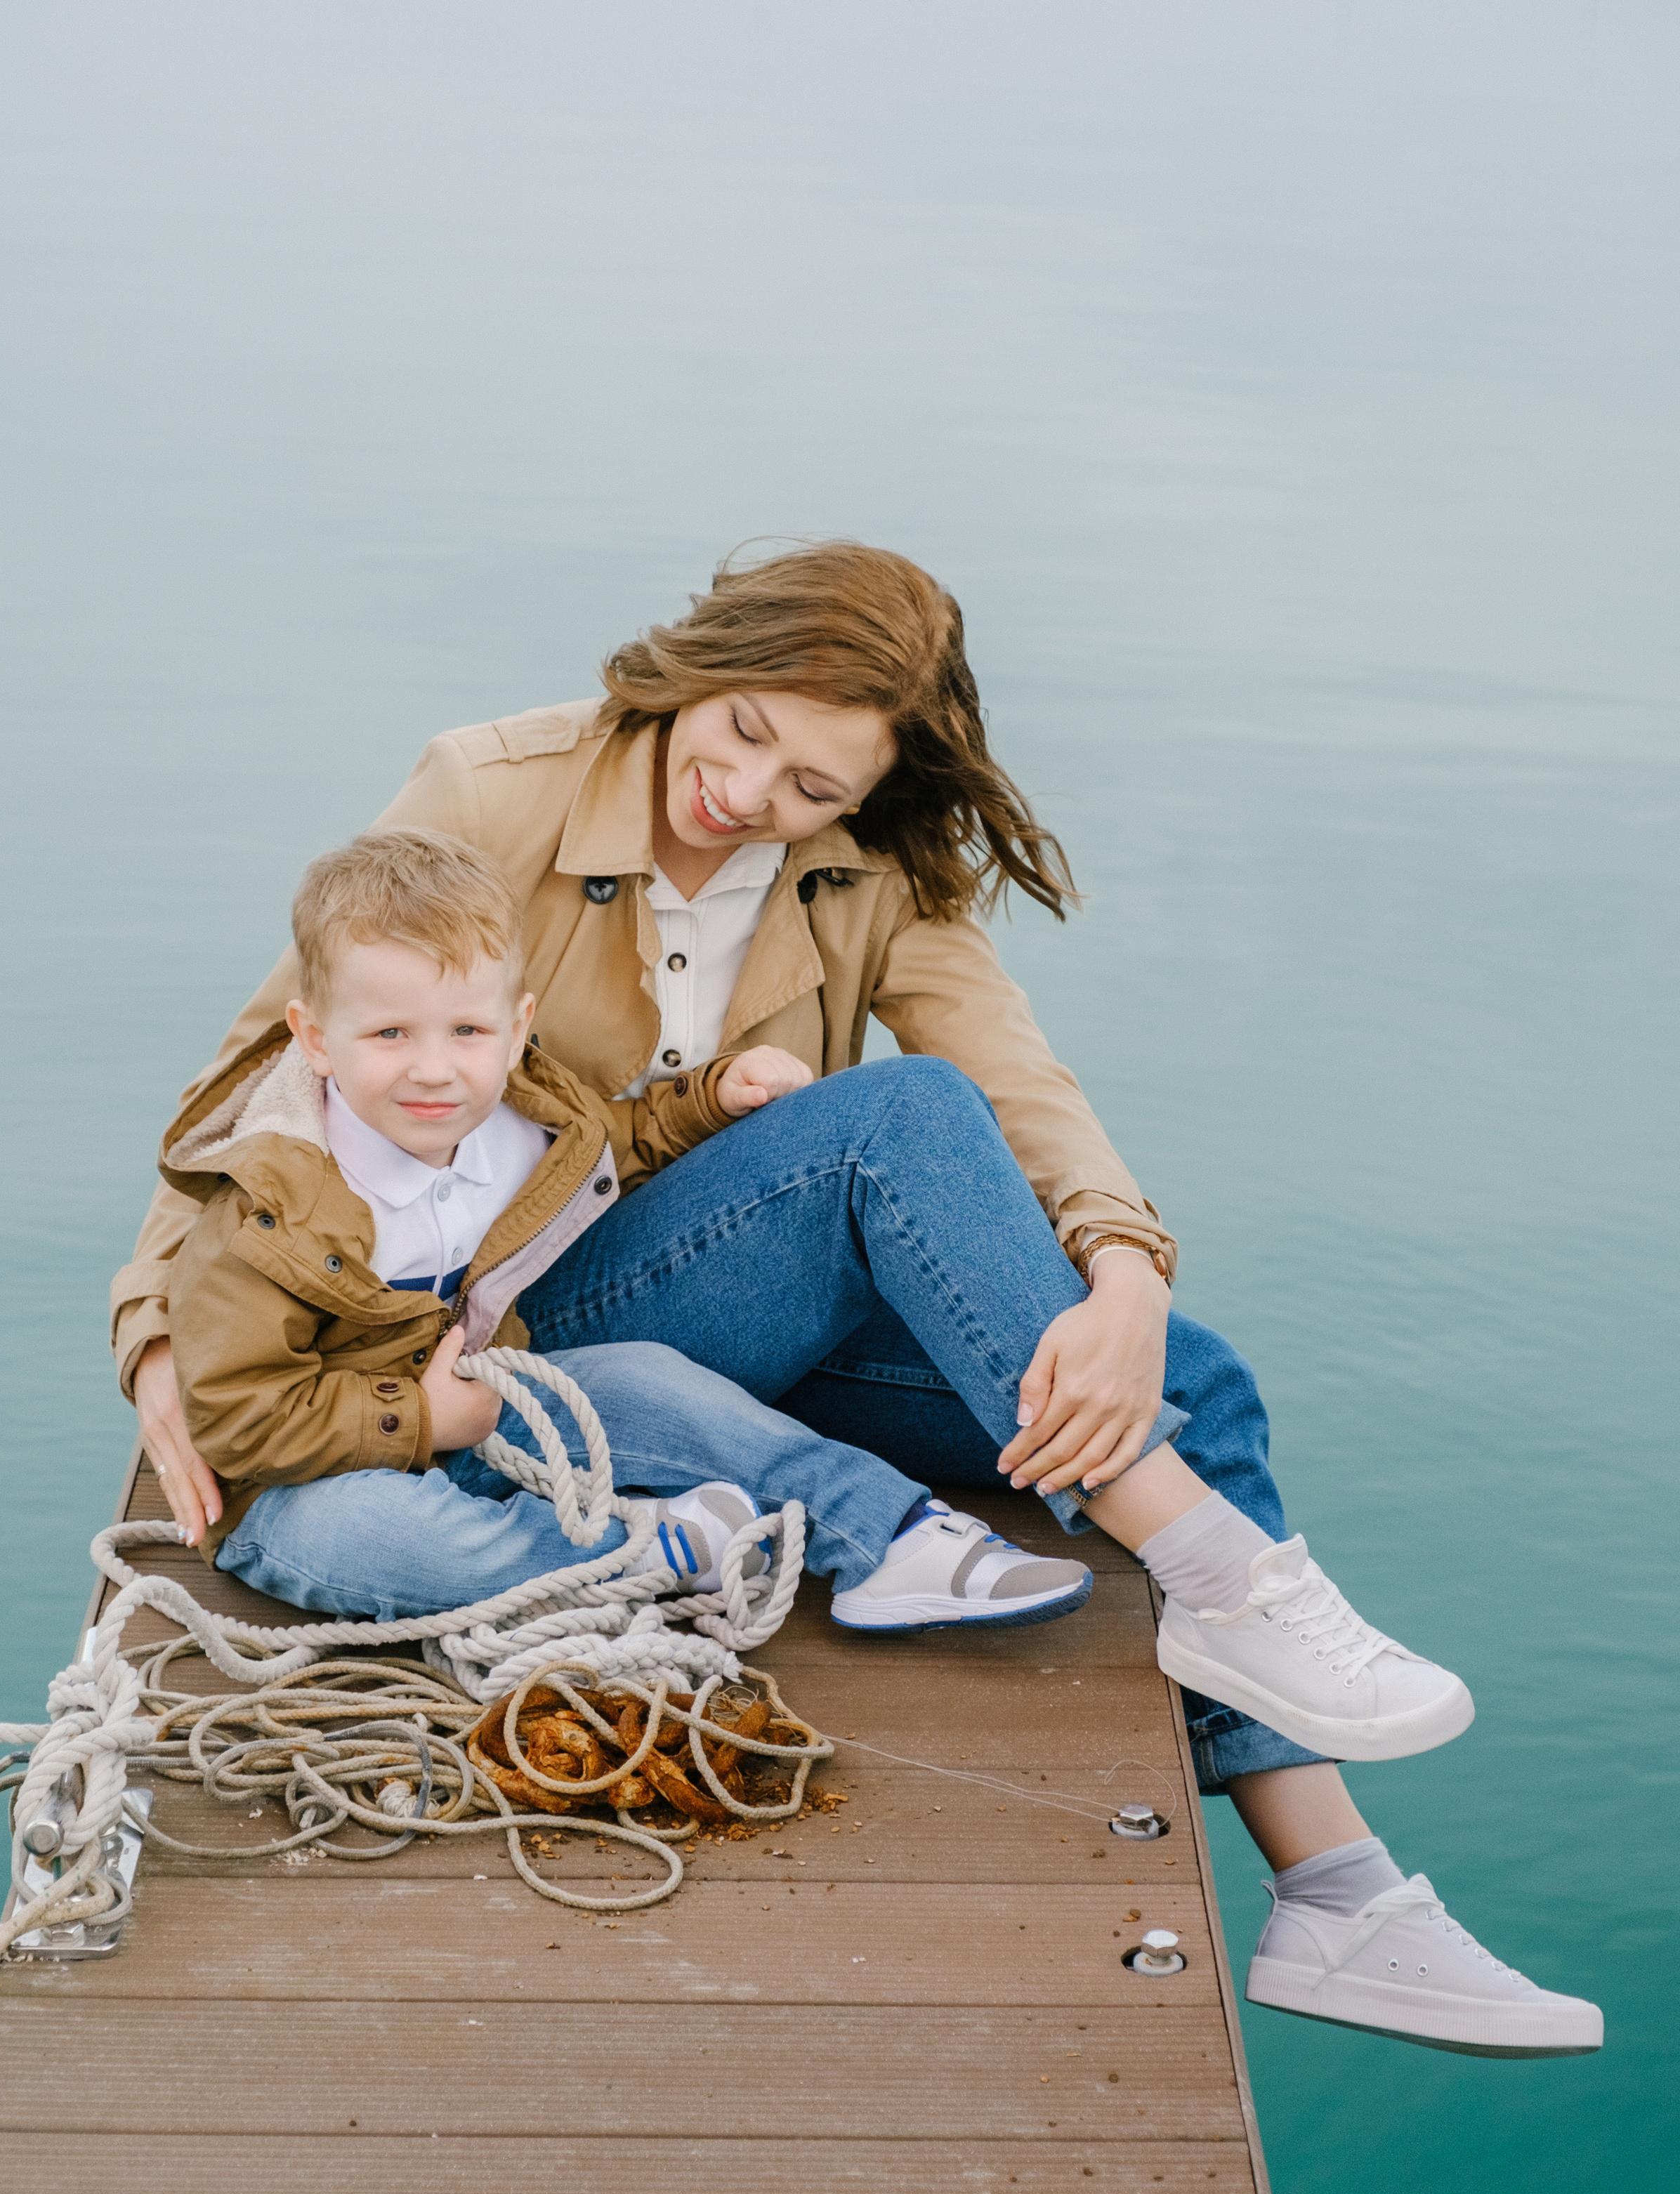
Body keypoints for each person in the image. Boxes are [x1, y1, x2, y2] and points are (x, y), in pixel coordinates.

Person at [118, 543, 1602, 2058]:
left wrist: (1126, 1274)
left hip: (723, 1305)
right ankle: (1228, 1578)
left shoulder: (871, 869)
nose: (750, 794)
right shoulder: (495, 790)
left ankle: (1337, 1898)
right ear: (706, 663)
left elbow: (1017, 1072)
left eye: (812, 786)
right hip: (516, 1332)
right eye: (744, 731)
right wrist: (156, 1334)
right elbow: (259, 1073)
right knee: (895, 1118)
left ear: (867, 797)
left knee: (1180, 1378)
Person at [164, 825, 1102, 1631]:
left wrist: (703, 1102)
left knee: (652, 1383)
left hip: (491, 1405)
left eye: (467, 1032)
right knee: (378, 1541)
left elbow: (616, 1144)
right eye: (390, 1035)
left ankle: (887, 1535)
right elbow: (239, 1415)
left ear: (517, 1022)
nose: (436, 1071)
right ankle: (638, 1552)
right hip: (309, 1478)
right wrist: (417, 1418)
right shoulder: (266, 1211)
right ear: (315, 1037)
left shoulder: (515, 1122)